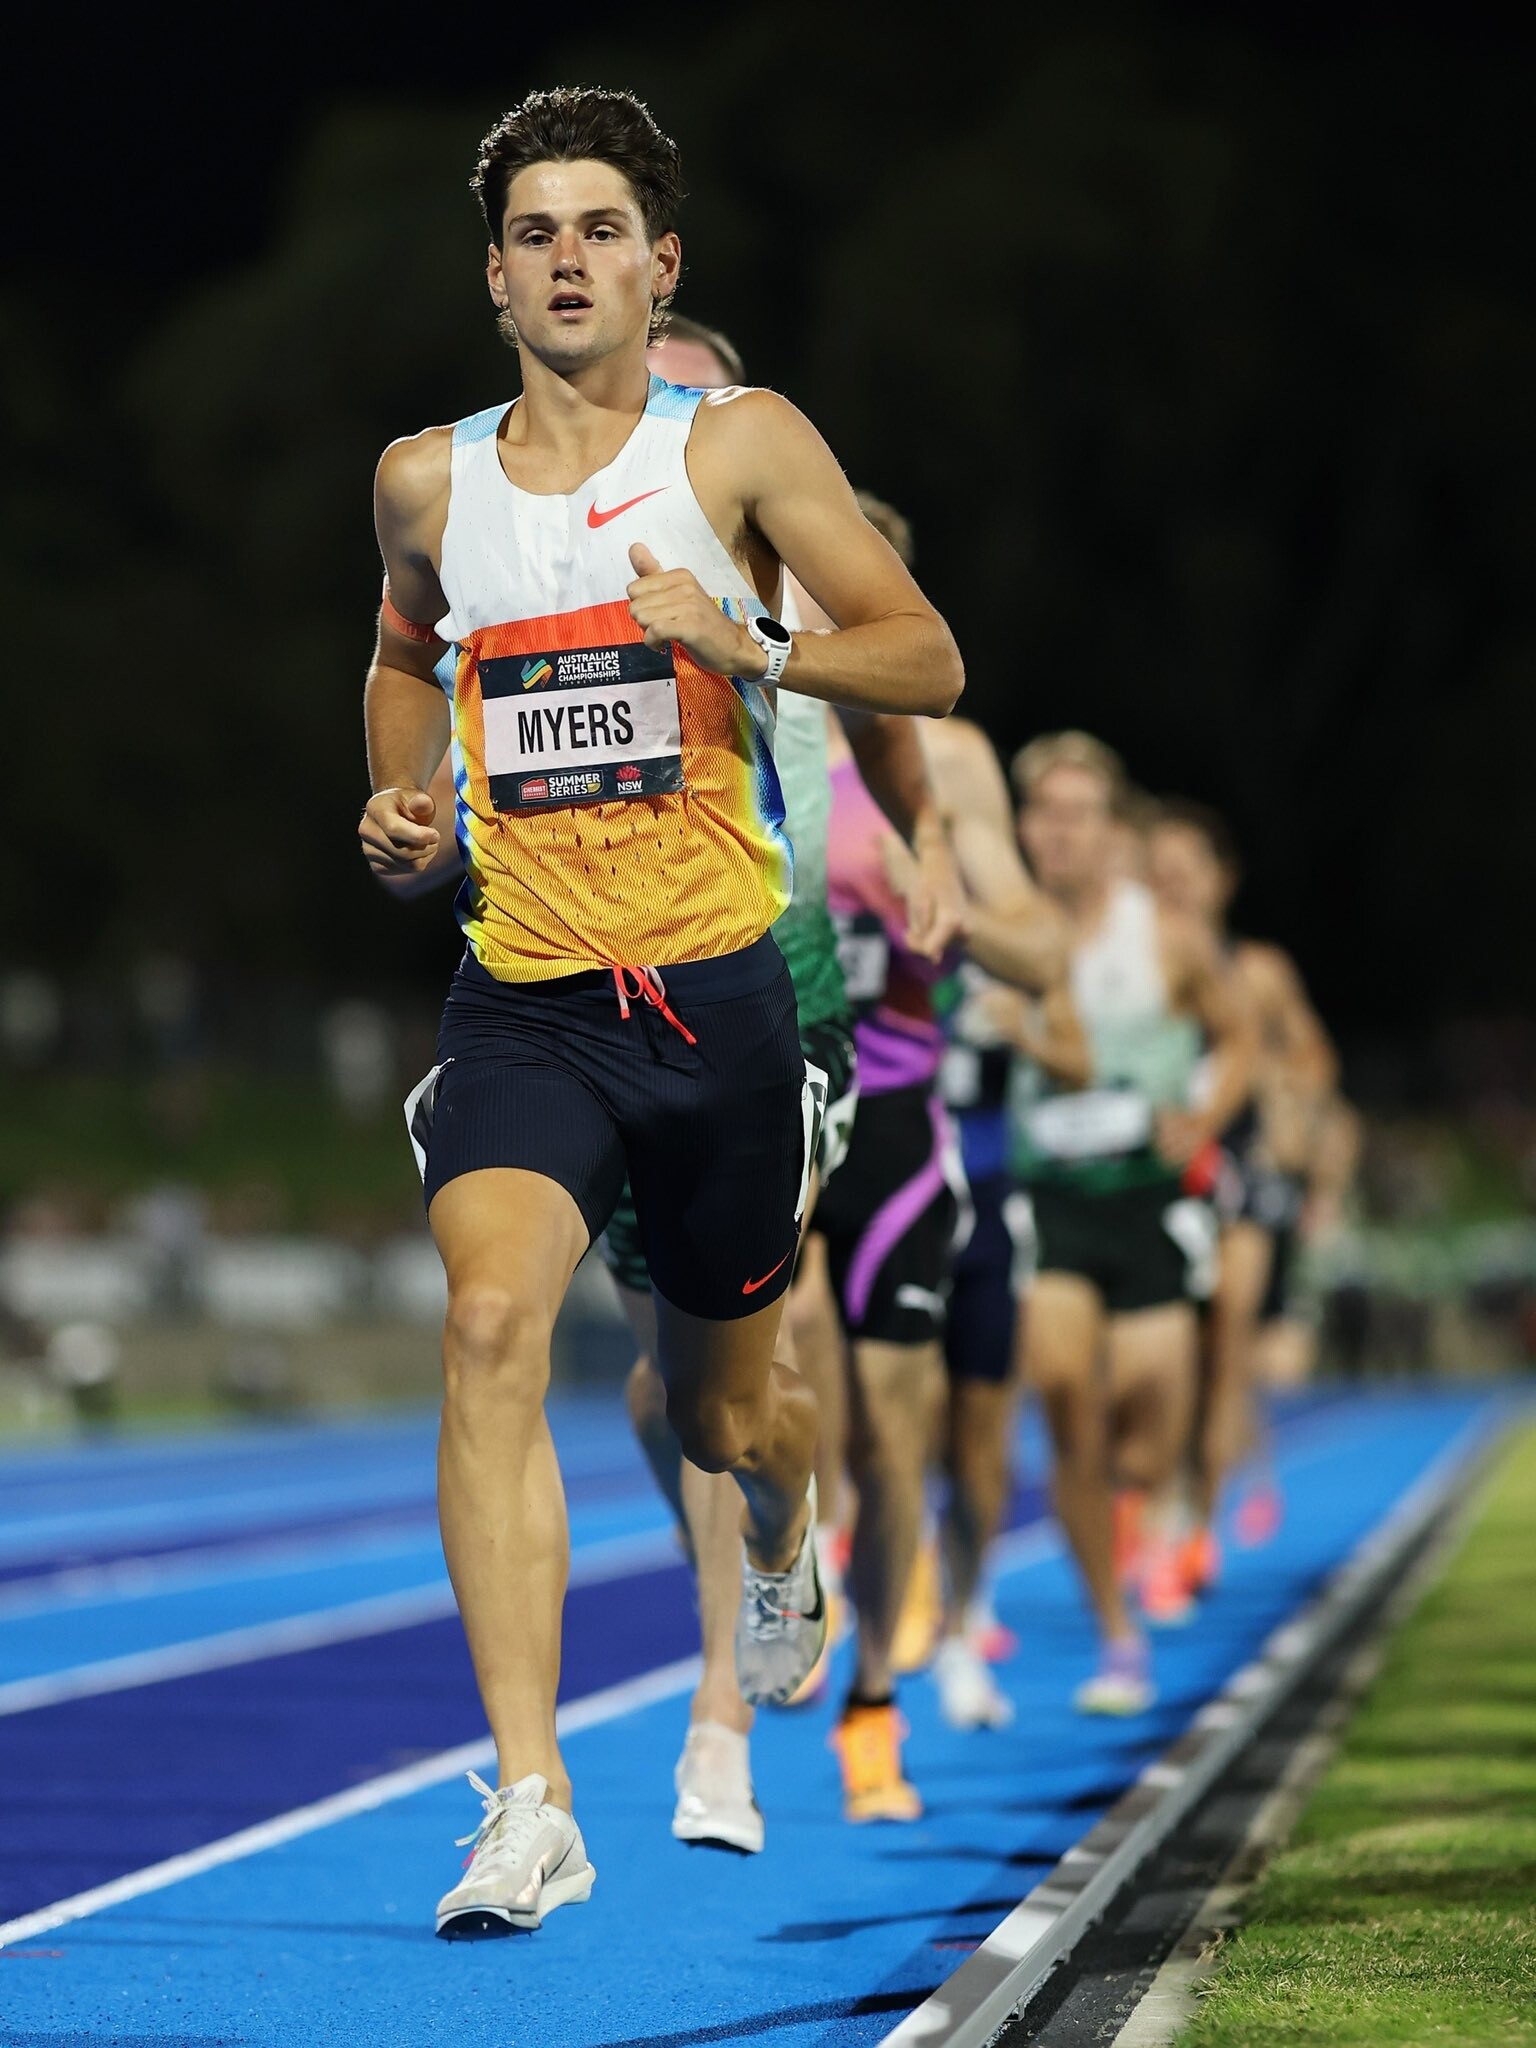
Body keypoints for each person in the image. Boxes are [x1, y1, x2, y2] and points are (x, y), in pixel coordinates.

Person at [357, 86, 962, 1934]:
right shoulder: (425, 480)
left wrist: (749, 641)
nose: (568, 260)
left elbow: (927, 657)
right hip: (526, 997)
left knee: (725, 1417)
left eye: (601, 231)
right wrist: (401, 803)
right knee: (488, 1322)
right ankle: (531, 1798)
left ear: (659, 265)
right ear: (494, 277)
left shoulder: (742, 448)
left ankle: (786, 1531)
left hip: (718, 1007)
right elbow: (400, 651)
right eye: (535, 233)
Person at [608, 320, 964, 1854]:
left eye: (695, 399)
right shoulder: (550, 557)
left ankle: (719, 1719)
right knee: (679, 1398)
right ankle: (772, 1515)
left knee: (752, 1352)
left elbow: (896, 711)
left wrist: (929, 843)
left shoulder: (795, 579)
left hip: (779, 1001)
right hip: (600, 1001)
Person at [809, 502, 1079, 1814]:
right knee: (749, 1378)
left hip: (902, 1117)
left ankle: (873, 1701)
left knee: (896, 1426)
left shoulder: (950, 757)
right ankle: (787, 1544)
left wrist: (956, 906)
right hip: (762, 1101)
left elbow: (1041, 951)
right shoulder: (726, 722)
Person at [1002, 734, 1253, 1714]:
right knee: (1065, 1392)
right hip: (1051, 1192)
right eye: (1044, 812)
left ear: (1114, 830)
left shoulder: (1168, 934)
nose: (1059, 831)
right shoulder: (1007, 928)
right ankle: (1116, 1631)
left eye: (1079, 813)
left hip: (1149, 1198)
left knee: (1146, 1437)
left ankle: (1145, 1503)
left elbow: (1238, 1036)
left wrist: (1207, 1113)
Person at [928, 718, 1090, 1730]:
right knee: (888, 1408)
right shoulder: (850, 886)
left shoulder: (1002, 916)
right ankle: (873, 1582)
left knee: (981, 1430)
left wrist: (1017, 1023)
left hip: (987, 1186)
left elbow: (1071, 1040)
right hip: (887, 1175)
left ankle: (964, 1607)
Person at [1145, 800, 1338, 1573]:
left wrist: (1293, 1103)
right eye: (1158, 872)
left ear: (1222, 880)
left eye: (1186, 872)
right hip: (1156, 1168)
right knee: (1169, 1351)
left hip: (1241, 1169)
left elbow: (1313, 1056)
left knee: (1226, 1343)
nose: (1172, 885)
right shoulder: (1136, 959)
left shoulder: (1257, 970)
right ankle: (1157, 1492)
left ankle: (1197, 1520)